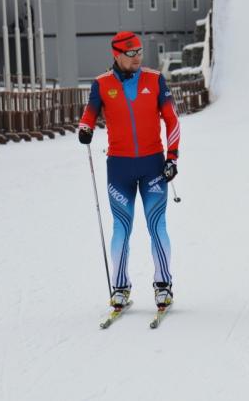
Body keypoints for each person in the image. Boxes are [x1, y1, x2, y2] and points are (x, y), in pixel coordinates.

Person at [78, 31, 181, 310]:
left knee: (157, 224)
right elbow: (89, 113)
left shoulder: (154, 79)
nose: (138, 57)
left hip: (152, 166)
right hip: (119, 167)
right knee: (121, 229)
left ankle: (163, 284)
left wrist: (172, 157)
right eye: (131, 53)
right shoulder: (101, 84)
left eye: (139, 51)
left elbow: (172, 119)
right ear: (117, 55)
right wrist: (85, 128)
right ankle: (120, 287)